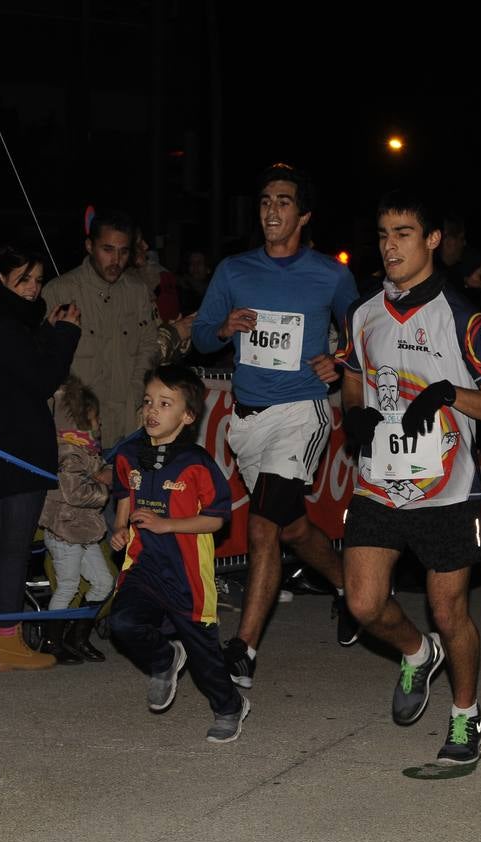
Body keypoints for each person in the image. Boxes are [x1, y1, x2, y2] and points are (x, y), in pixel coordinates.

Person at [336, 189, 481, 765]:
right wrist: (355, 413)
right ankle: (417, 655)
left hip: (446, 488)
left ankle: (465, 716)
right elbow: (352, 377)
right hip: (378, 482)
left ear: (433, 240)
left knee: (450, 612)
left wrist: (446, 394)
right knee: (362, 604)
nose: (390, 246)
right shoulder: (363, 313)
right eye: (384, 234)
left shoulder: (464, 317)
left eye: (404, 234)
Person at [191, 164, 360, 688]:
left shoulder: (331, 274)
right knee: (291, 526)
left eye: (283, 202)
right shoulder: (234, 270)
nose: (271, 211)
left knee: (262, 525)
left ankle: (242, 651)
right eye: (265, 201)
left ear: (304, 215)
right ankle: (351, 591)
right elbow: (199, 337)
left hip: (301, 413)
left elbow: (362, 335)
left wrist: (339, 360)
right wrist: (222, 327)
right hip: (246, 420)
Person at [107, 365, 249, 742]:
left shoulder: (198, 464)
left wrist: (167, 524)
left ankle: (230, 706)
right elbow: (125, 492)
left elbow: (217, 520)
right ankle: (164, 659)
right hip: (144, 567)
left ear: (187, 416)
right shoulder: (128, 455)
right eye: (148, 402)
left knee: (205, 659)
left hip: (187, 576)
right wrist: (120, 529)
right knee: (121, 624)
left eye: (165, 404)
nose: (152, 411)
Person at [0, 245, 81, 672]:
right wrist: (66, 335)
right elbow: (40, 379)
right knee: (12, 546)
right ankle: (7, 642)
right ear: (1, 280)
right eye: (23, 280)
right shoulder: (5, 325)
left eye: (37, 280)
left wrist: (46, 332)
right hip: (17, 445)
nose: (34, 289)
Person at [43, 209, 191, 448]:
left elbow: (149, 351)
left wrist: (135, 403)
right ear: (90, 246)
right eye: (107, 250)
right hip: (74, 433)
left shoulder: (138, 293)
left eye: (123, 252)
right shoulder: (60, 292)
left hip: (126, 428)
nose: (116, 260)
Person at [37, 376, 117, 664]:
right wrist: (104, 487)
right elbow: (74, 492)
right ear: (81, 420)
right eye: (96, 419)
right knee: (68, 585)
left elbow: (94, 474)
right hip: (65, 530)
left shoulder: (85, 450)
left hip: (83, 531)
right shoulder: (68, 452)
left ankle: (77, 637)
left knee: (104, 582)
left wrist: (104, 473)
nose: (100, 424)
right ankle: (51, 639)